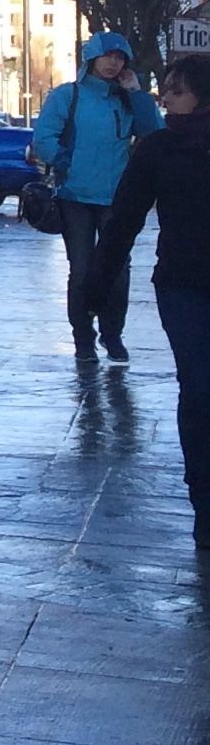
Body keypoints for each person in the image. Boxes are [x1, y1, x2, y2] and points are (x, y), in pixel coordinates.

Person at [92, 52, 210, 521]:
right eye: (164, 90)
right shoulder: (159, 148)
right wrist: (97, 281)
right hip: (183, 285)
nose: (166, 99)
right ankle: (204, 497)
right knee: (199, 386)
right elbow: (124, 219)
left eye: (176, 90)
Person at [31, 32, 162, 363]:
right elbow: (44, 137)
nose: (113, 63)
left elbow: (154, 132)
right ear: (91, 58)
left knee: (118, 269)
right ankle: (83, 339)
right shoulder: (67, 96)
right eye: (107, 56)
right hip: (74, 197)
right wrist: (64, 162)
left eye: (120, 58)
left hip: (117, 199)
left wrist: (136, 92)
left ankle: (113, 334)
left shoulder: (125, 99)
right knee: (82, 269)